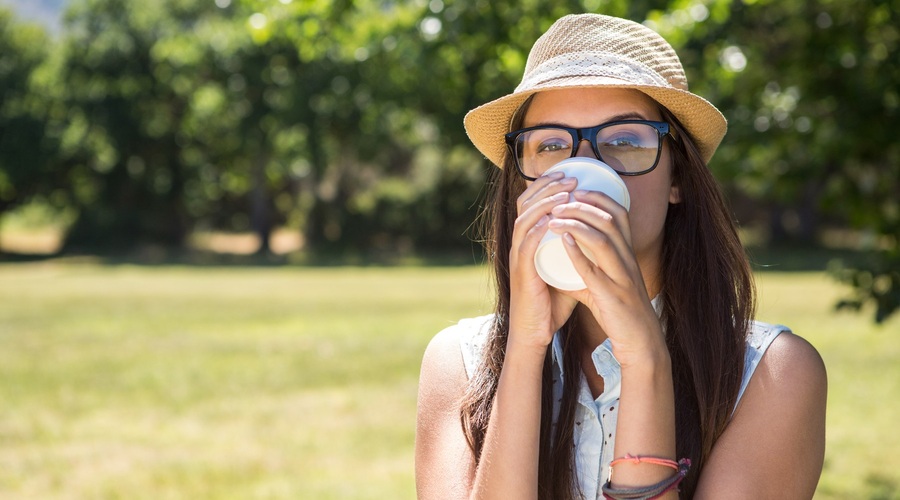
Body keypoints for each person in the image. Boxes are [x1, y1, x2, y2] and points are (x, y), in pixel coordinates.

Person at [415, 13, 826, 500]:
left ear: (677, 178)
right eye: (550, 144)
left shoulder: (772, 374)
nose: (584, 165)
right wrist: (524, 350)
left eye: (625, 141)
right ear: (523, 182)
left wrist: (644, 358)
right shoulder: (462, 363)